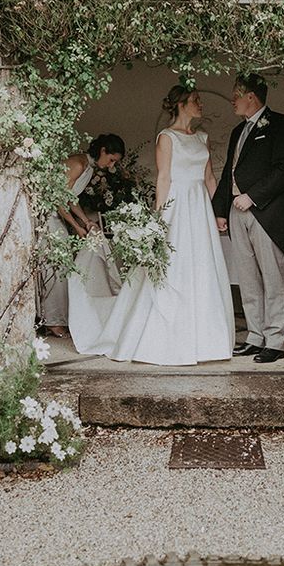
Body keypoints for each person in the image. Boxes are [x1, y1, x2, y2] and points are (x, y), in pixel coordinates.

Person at [69, 86, 234, 364]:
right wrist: (158, 219)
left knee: (202, 266)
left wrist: (219, 211)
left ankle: (207, 339)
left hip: (201, 208)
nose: (200, 105)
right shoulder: (166, 138)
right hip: (177, 207)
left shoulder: (203, 138)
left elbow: (209, 179)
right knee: (172, 266)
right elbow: (164, 179)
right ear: (181, 105)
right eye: (195, 101)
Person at [212, 74, 284, 364]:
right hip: (237, 213)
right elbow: (229, 172)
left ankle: (275, 340)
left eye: (236, 95)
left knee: (273, 278)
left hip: (266, 213)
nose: (233, 101)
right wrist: (220, 210)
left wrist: (251, 197)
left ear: (251, 96)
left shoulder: (283, 125)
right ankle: (254, 336)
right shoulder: (239, 131)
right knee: (247, 278)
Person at [39, 134, 125, 338]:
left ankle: (58, 318)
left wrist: (86, 221)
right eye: (111, 159)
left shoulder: (87, 166)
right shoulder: (78, 164)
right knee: (57, 266)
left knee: (63, 265)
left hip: (57, 217)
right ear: (103, 150)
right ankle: (52, 321)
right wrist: (76, 226)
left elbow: (71, 200)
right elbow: (58, 201)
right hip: (47, 219)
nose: (111, 165)